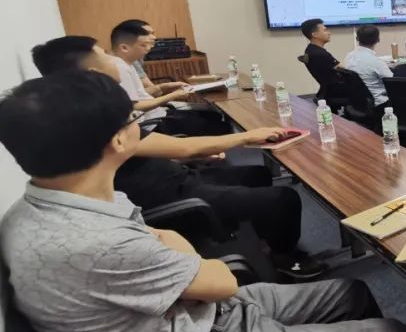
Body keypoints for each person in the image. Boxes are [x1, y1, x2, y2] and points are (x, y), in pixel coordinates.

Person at [0, 71, 406, 332]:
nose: (139, 124)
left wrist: (172, 249)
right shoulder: (92, 241)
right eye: (132, 118)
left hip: (189, 320)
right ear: (118, 140)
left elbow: (169, 250)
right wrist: (175, 247)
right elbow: (220, 281)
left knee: (351, 293)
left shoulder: (52, 202)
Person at [31, 35, 325, 280]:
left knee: (257, 174)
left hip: (171, 176)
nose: (112, 58)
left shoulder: (82, 108)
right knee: (284, 198)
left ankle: (267, 241)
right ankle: (286, 260)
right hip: (173, 196)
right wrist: (247, 137)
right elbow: (181, 147)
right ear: (93, 71)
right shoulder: (95, 118)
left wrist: (191, 157)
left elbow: (157, 148)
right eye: (104, 55)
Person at [111, 21, 230, 136]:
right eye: (143, 45)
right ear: (124, 48)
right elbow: (135, 106)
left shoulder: (128, 64)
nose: (148, 48)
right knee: (220, 125)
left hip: (159, 114)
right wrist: (173, 95)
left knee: (215, 116)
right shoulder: (120, 68)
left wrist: (164, 86)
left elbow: (138, 94)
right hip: (154, 125)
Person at [344, 25, 393, 107]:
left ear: (357, 38)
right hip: (379, 103)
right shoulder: (376, 62)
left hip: (357, 102)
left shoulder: (349, 56)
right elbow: (393, 83)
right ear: (378, 39)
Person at [300, 17, 348, 101]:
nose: (329, 33)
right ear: (315, 34)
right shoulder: (320, 54)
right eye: (325, 30)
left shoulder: (310, 50)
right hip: (337, 91)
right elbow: (345, 71)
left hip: (327, 90)